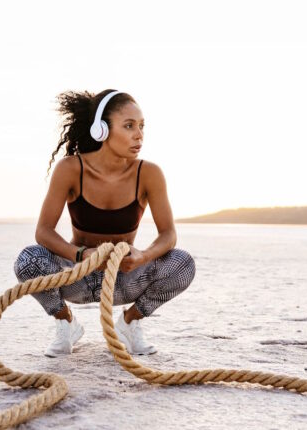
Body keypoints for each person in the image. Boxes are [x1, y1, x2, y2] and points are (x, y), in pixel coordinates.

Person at [13, 89, 196, 357]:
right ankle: (66, 323)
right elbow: (43, 231)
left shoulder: (149, 174)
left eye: (142, 127)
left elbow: (168, 234)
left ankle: (130, 323)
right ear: (101, 130)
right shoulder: (70, 169)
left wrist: (143, 256)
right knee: (28, 260)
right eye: (129, 126)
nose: (139, 135)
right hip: (78, 277)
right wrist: (81, 255)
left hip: (123, 280)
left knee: (183, 264)